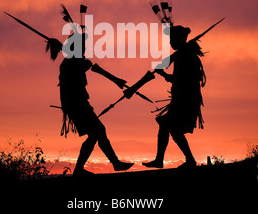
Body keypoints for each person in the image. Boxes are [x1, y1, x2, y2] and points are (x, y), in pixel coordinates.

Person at [127, 25, 206, 169]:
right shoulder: (182, 53)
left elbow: (188, 78)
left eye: (171, 39)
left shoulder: (187, 54)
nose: (170, 42)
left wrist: (167, 76)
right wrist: (164, 73)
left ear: (178, 39)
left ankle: (167, 160)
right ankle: (183, 160)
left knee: (167, 126)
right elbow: (162, 65)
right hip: (182, 99)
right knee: (171, 128)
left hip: (186, 100)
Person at [59, 33, 134, 176]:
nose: (85, 49)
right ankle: (112, 163)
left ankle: (85, 168)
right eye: (82, 46)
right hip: (76, 105)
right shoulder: (70, 63)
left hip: (78, 104)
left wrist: (116, 80)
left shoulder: (73, 62)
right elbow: (81, 70)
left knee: (96, 133)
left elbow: (91, 68)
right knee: (98, 131)